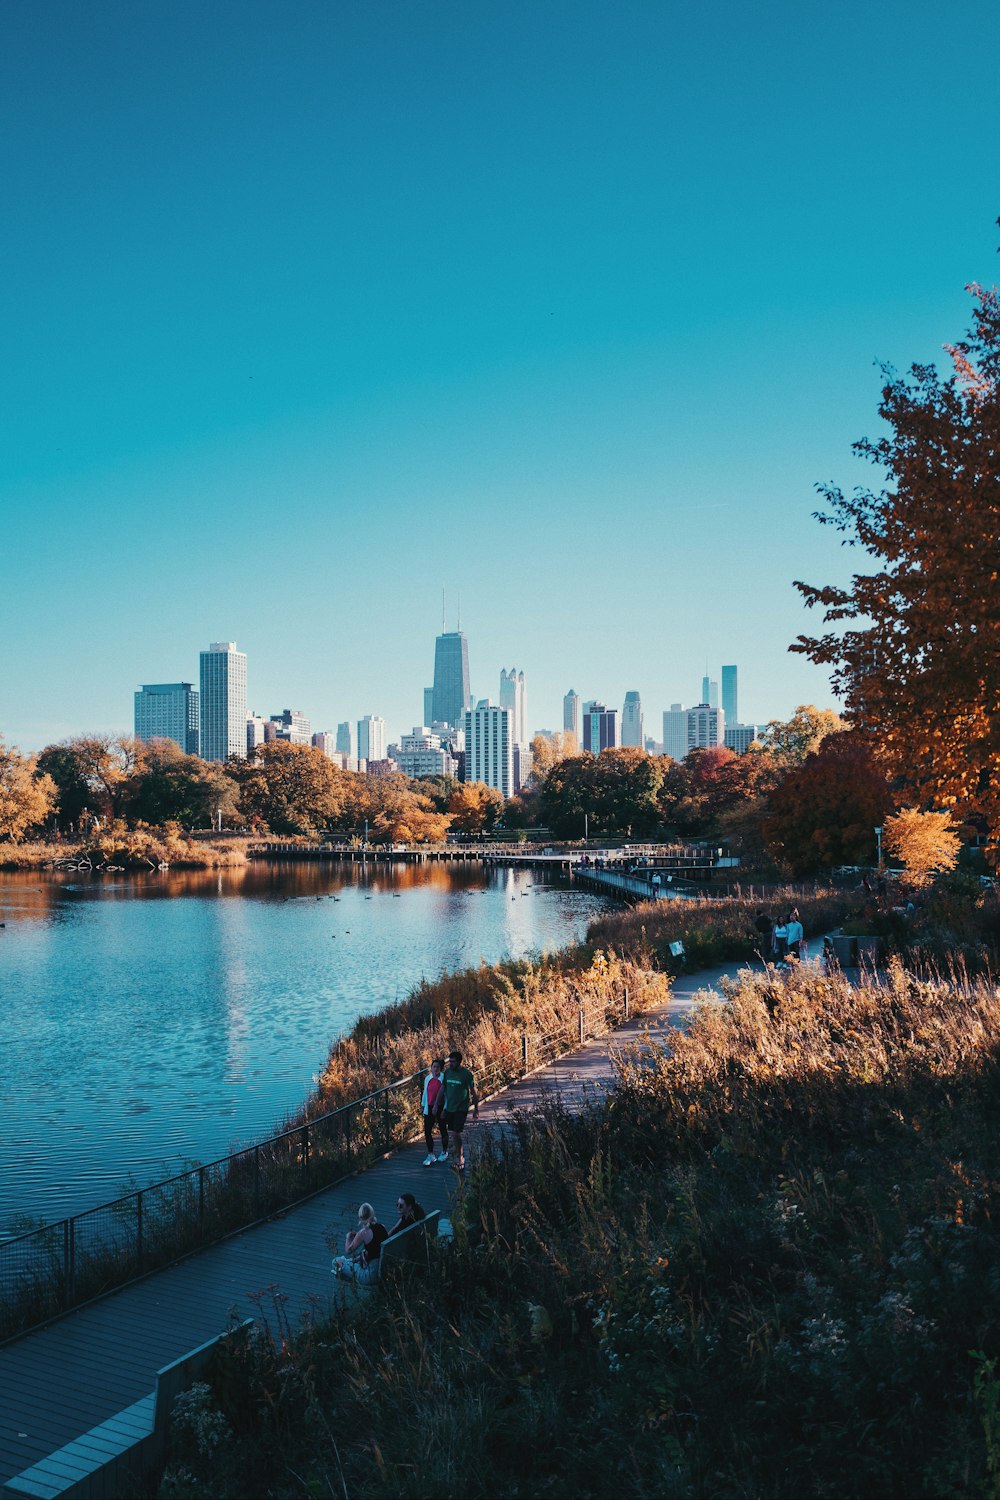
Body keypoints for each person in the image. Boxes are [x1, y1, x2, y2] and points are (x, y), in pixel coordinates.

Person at [331, 1202, 388, 1284]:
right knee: (350, 1261)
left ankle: (352, 1283)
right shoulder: (383, 1227)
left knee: (336, 1261)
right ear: (372, 1214)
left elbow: (348, 1250)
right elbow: (375, 1248)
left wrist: (348, 1237)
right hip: (382, 1270)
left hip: (369, 1276)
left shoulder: (363, 1233)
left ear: (360, 1217)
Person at [442, 1049, 479, 1172]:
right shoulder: (447, 1073)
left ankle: (461, 1158)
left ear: (459, 1062)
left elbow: (473, 1092)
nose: (450, 1064)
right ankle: (457, 1158)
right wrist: (440, 1106)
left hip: (461, 1108)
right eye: (449, 1061)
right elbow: (443, 1090)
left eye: (453, 1062)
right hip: (450, 1108)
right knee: (452, 1133)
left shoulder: (466, 1074)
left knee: (455, 1133)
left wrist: (476, 1109)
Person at [421, 1057, 448, 1165]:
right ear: (431, 1068)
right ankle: (431, 1154)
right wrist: (423, 1104)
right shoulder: (427, 1078)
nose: (435, 1069)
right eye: (433, 1067)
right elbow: (425, 1093)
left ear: (441, 1068)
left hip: (441, 1107)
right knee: (427, 1130)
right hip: (429, 1106)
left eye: (437, 1067)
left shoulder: (443, 1078)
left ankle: (444, 1151)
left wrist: (445, 1109)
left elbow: (447, 1095)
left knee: (442, 1129)